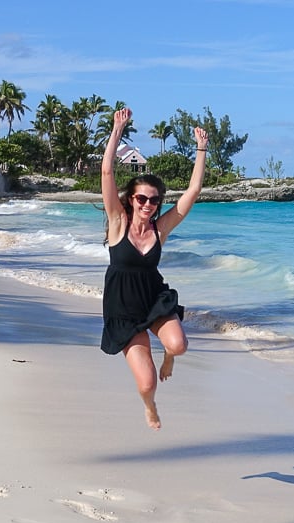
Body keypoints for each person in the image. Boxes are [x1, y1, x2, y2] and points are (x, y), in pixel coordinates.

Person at [99, 107, 208, 430]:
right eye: (142, 199)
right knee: (147, 384)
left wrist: (201, 148)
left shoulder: (160, 230)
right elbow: (107, 173)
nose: (149, 205)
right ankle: (150, 407)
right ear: (130, 200)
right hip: (123, 309)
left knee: (178, 345)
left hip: (153, 299)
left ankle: (168, 357)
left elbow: (193, 193)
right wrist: (117, 130)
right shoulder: (118, 224)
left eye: (155, 200)